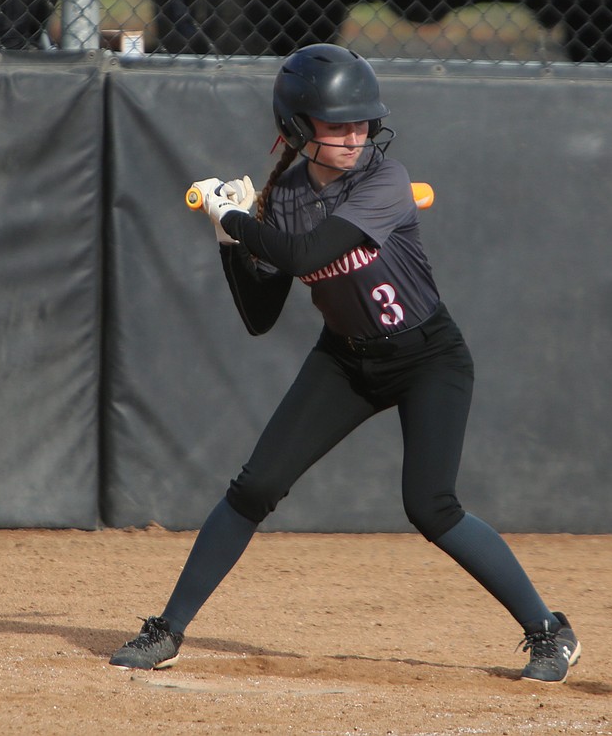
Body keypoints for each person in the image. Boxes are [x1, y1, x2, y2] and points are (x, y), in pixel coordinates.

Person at [108, 43, 581, 684]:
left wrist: (241, 221)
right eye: (337, 124)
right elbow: (261, 313)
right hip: (345, 360)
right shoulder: (286, 196)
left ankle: (550, 631)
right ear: (298, 128)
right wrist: (231, 241)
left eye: (362, 122)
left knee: (431, 506)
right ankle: (167, 629)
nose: (355, 134)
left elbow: (306, 256)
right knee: (255, 489)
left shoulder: (384, 183)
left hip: (428, 357)